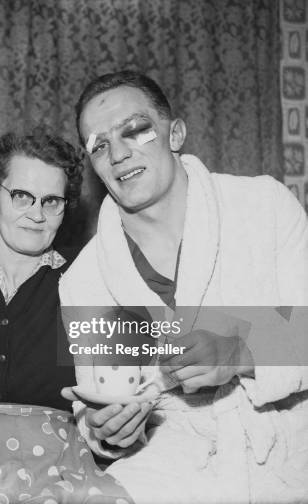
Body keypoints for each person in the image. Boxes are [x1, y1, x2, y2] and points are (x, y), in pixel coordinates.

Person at [60, 70, 308, 503]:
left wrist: (241, 351)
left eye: (135, 130)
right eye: (99, 145)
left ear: (175, 134)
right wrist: (107, 430)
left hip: (292, 452)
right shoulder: (86, 279)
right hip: (175, 464)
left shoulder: (264, 206)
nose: (117, 153)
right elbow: (102, 400)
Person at [0, 129, 134, 504]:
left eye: (52, 201)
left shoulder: (85, 279)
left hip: (61, 467)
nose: (36, 214)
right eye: (22, 196)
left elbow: (162, 338)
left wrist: (115, 426)